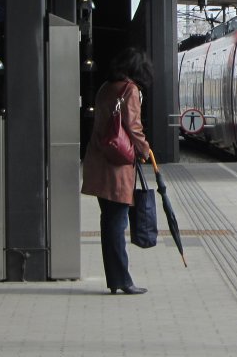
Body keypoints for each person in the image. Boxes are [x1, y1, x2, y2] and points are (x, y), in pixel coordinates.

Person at [81, 47, 153, 295]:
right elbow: (133, 127)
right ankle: (122, 279)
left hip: (99, 160)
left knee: (109, 221)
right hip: (117, 166)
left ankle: (116, 279)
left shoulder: (104, 88)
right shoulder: (129, 89)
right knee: (116, 222)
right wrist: (145, 151)